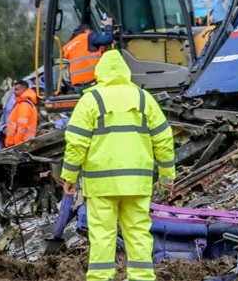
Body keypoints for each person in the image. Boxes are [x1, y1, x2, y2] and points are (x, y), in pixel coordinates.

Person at [60, 50, 175, 281]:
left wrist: (69, 177)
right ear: (125, 71)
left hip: (102, 185)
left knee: (102, 235)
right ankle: (142, 277)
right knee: (139, 233)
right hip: (137, 184)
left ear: (99, 73)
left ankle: (100, 278)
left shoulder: (91, 100)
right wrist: (166, 176)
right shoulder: (144, 98)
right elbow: (164, 139)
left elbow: (76, 143)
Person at [62, 17, 114, 92]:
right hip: (92, 82)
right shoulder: (88, 36)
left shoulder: (68, 46)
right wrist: (108, 26)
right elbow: (108, 39)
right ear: (87, 31)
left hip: (77, 85)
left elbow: (87, 54)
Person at [4, 80, 38, 147]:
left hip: (20, 144)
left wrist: (17, 143)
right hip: (21, 143)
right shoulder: (22, 103)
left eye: (17, 89)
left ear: (23, 89)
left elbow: (22, 127)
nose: (14, 92)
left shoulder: (24, 105)